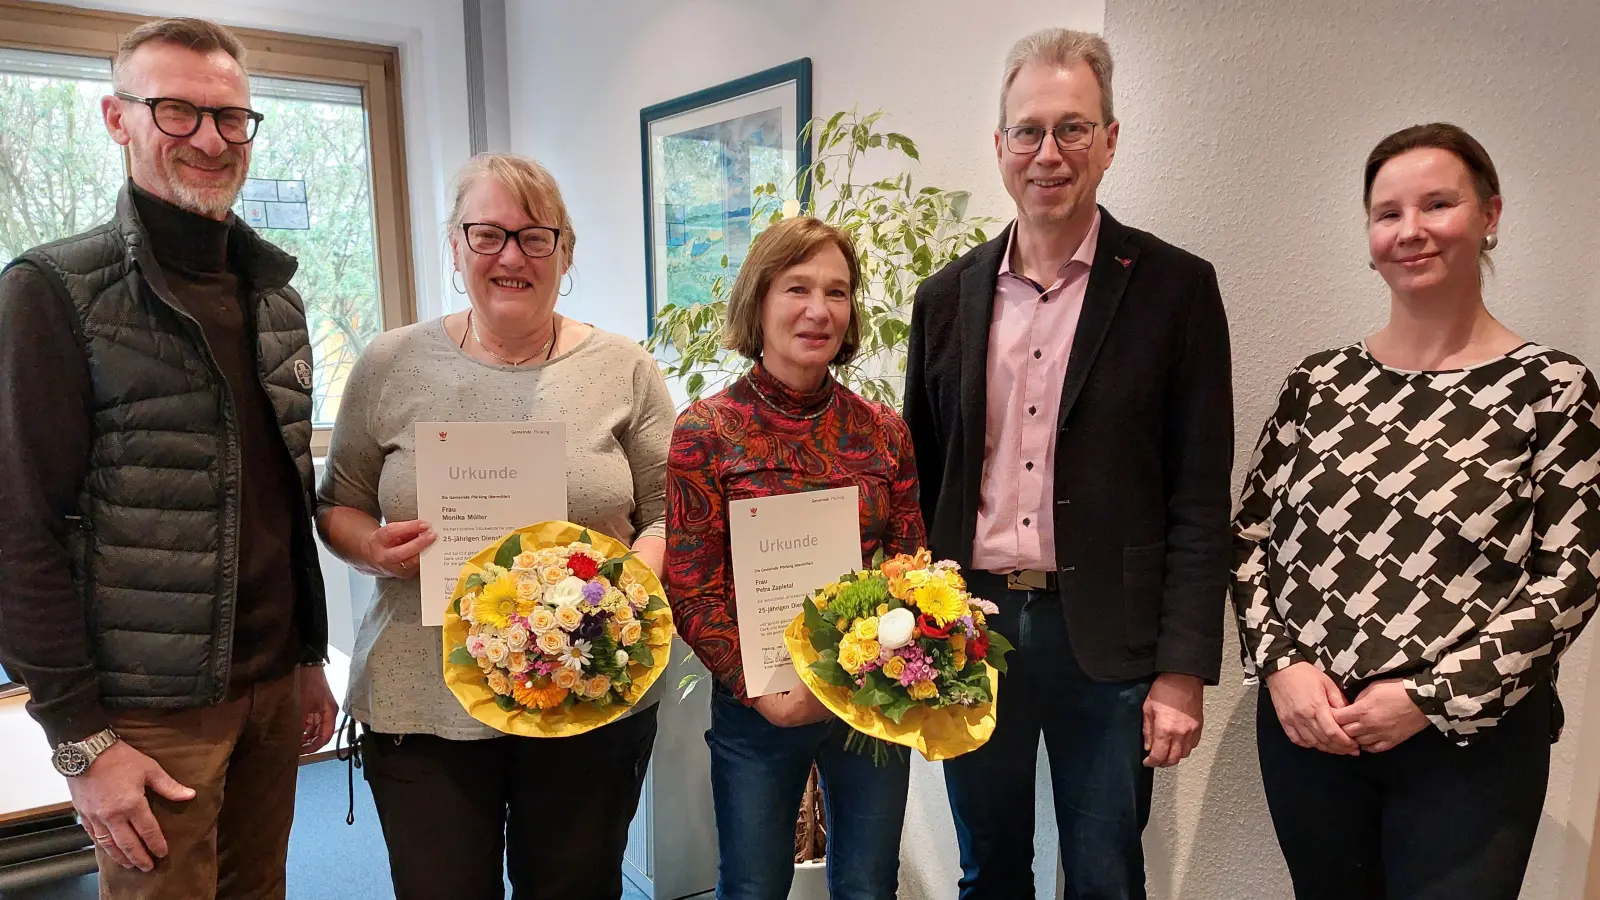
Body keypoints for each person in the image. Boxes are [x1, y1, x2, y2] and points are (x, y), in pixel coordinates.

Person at [0, 17, 336, 899]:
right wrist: (79, 739)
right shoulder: (52, 292)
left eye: (230, 118)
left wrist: (307, 656)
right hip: (149, 711)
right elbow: (16, 529)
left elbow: (274, 498)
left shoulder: (274, 298)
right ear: (118, 119)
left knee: (260, 890)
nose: (208, 139)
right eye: (176, 111)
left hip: (271, 684)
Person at [902, 27, 1234, 900]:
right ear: (1000, 146)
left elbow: (1200, 496)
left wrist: (1183, 669)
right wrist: (912, 634)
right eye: (1028, 130)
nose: (1048, 153)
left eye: (1073, 129)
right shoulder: (945, 299)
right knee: (989, 870)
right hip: (969, 632)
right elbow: (925, 479)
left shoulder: (1176, 288)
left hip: (1113, 646)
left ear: (1111, 141)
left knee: (1105, 874)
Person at [1233, 122, 1600, 900]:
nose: (1411, 230)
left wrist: (1430, 697)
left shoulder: (1553, 389)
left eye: (1438, 204)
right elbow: (1251, 541)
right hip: (1314, 732)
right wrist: (1282, 667)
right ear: (1369, 237)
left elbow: (1570, 576)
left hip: (1474, 740)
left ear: (1490, 214)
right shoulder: (1319, 384)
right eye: (1388, 213)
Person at [316, 152, 673, 900]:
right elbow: (337, 503)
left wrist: (630, 581)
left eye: (534, 236)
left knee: (574, 888)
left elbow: (669, 511)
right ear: (455, 246)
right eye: (487, 234)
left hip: (587, 692)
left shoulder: (624, 369)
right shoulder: (389, 365)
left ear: (563, 252)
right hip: (424, 698)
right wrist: (374, 550)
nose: (511, 256)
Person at [665, 216, 926, 900]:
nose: (819, 310)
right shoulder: (705, 432)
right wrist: (763, 692)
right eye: (798, 288)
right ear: (759, 299)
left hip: (868, 700)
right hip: (761, 709)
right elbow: (692, 585)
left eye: (837, 292)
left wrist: (876, 666)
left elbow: (910, 566)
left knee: (869, 886)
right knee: (751, 887)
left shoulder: (884, 431)